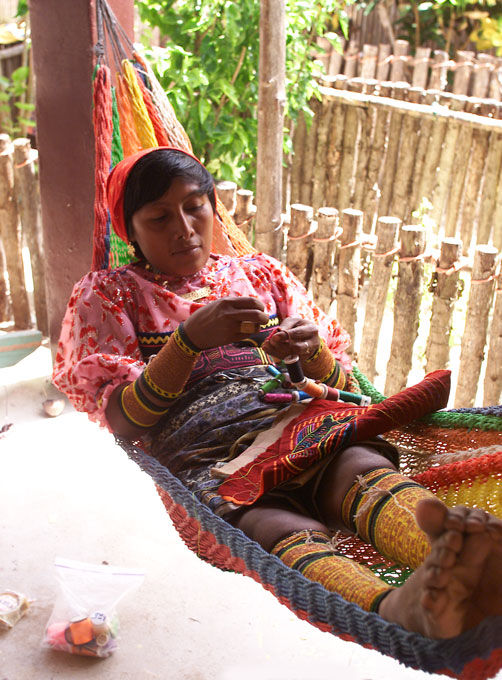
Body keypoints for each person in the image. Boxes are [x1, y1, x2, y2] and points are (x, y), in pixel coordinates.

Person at [53, 146, 502, 640]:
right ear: (130, 231)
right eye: (159, 216)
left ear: (213, 205)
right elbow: (123, 420)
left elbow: (341, 387)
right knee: (270, 526)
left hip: (303, 423)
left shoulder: (259, 273)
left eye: (195, 206)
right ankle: (395, 608)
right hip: (209, 456)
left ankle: (459, 562)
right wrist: (186, 343)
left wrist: (310, 351)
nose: (183, 227)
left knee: (361, 467)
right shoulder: (111, 293)